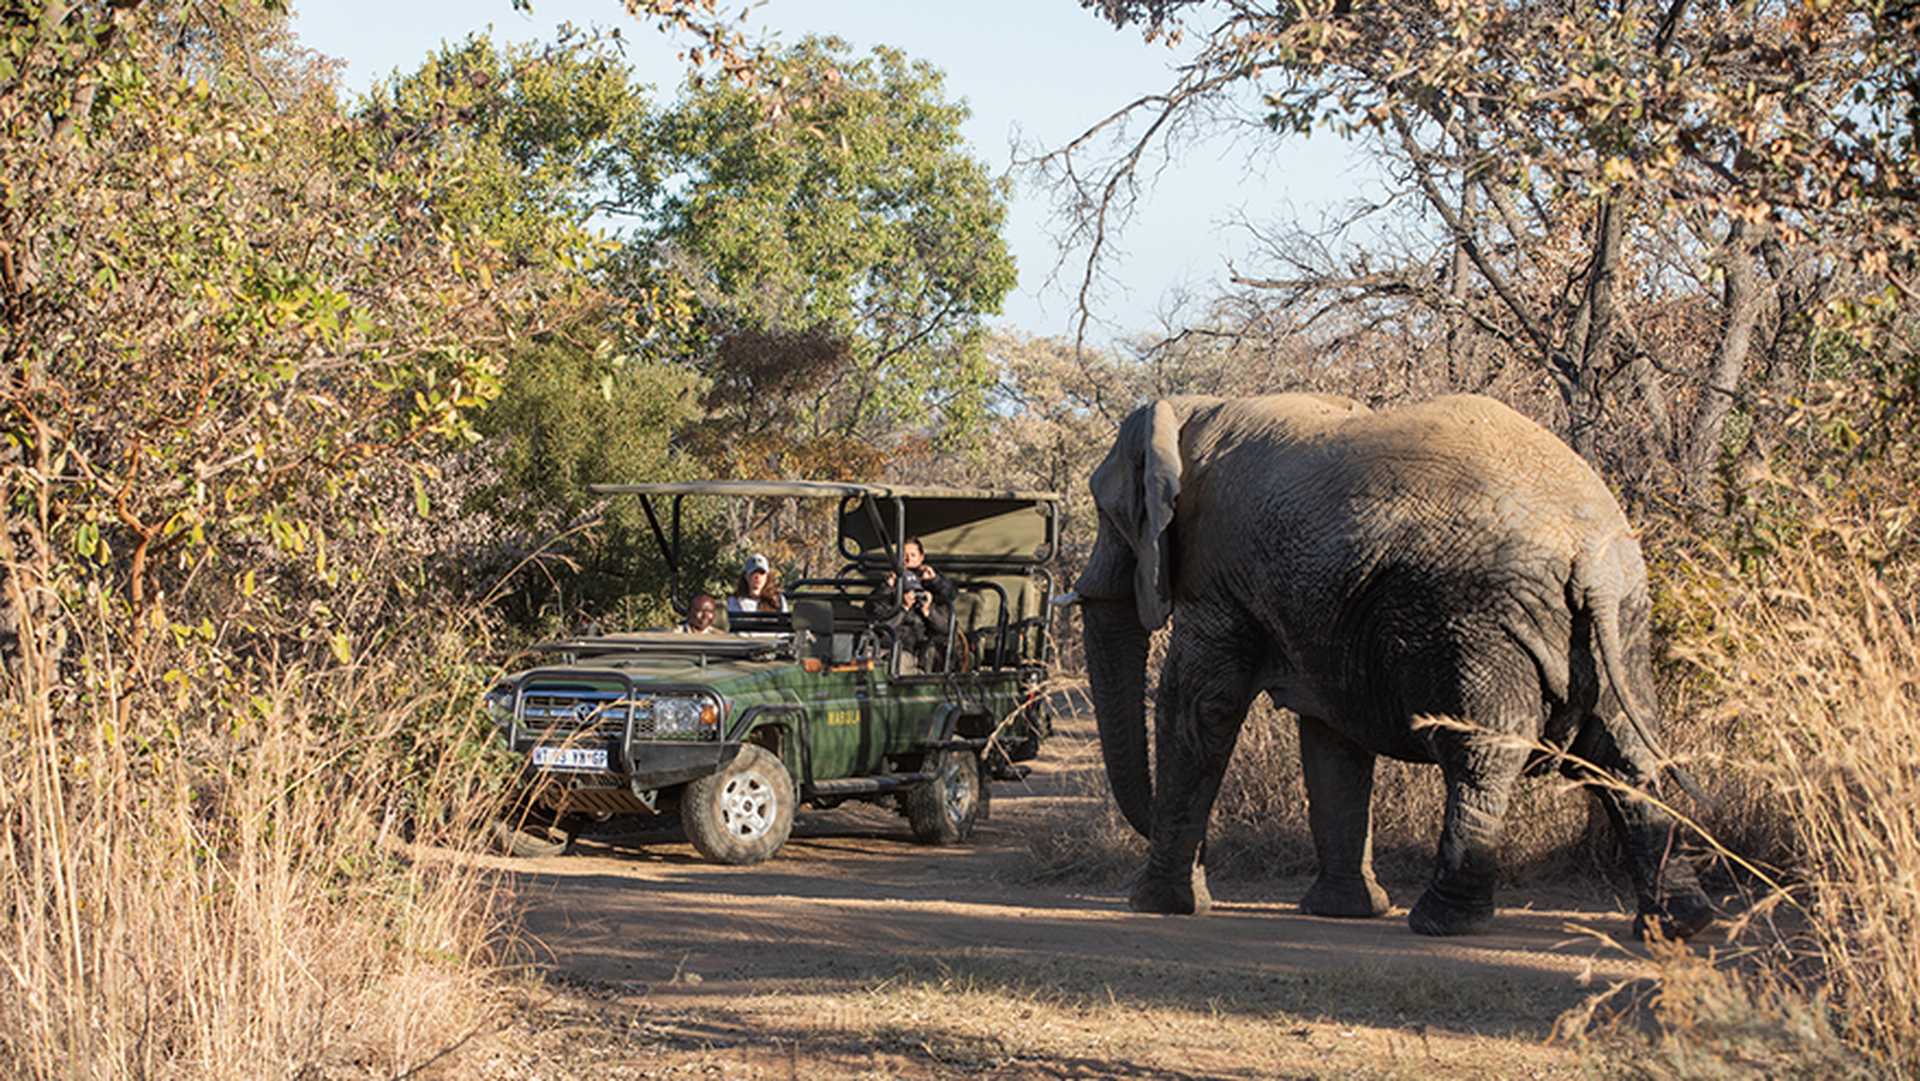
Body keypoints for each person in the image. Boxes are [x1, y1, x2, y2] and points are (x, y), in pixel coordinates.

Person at [866, 537, 956, 668]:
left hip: (914, 650)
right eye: (904, 556)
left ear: (921, 557)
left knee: (897, 662)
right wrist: (902, 605)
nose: (908, 560)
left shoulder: (932, 586)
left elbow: (946, 622)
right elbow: (877, 619)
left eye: (913, 555)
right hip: (887, 644)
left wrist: (928, 607)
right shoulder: (888, 587)